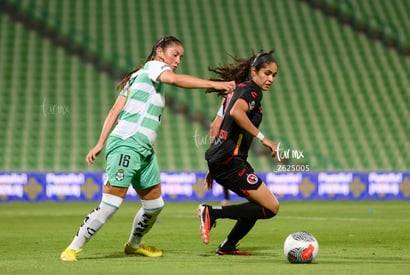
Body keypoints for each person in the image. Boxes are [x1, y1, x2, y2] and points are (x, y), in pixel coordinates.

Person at [60, 35, 235, 261]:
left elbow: (115, 110)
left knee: (154, 205)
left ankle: (133, 245)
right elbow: (175, 80)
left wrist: (101, 142)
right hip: (127, 143)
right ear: (160, 52)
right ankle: (72, 248)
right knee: (111, 204)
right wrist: (216, 84)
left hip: (144, 150)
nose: (178, 59)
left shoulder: (137, 77)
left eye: (181, 56)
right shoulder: (154, 67)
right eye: (175, 54)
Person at [198, 50, 279, 255]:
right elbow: (236, 113)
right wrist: (264, 139)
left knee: (257, 205)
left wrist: (214, 165)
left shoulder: (233, 93)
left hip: (224, 160)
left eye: (274, 75)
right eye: (267, 73)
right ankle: (212, 212)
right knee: (271, 207)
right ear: (253, 71)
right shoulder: (252, 91)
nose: (270, 79)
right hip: (231, 161)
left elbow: (215, 127)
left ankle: (227, 246)